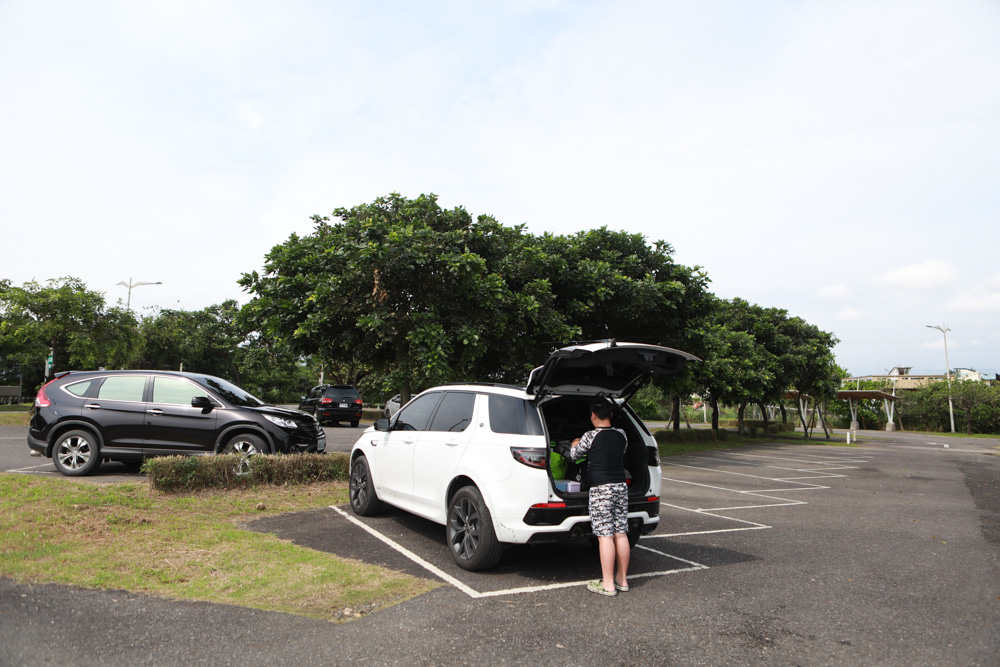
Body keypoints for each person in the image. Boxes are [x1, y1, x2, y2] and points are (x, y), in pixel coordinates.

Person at [570, 397, 630, 596]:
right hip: (620, 487)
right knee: (620, 533)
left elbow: (575, 456)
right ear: (611, 415)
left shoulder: (589, 436)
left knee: (605, 536)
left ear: (593, 416)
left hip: (601, 490)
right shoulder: (622, 434)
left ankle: (607, 584)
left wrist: (574, 444)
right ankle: (622, 580)